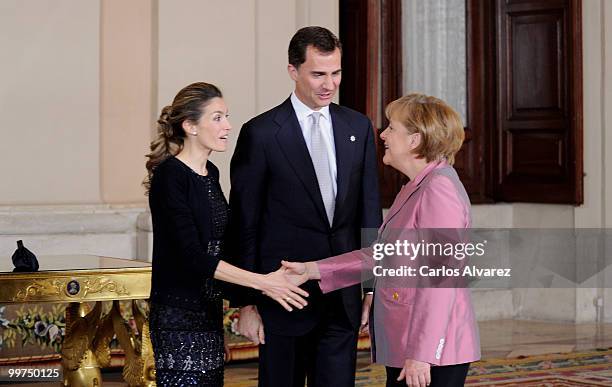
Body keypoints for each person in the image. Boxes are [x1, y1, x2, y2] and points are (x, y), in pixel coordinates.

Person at [283, 94, 481, 387]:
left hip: (430, 352)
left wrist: (422, 354)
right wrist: (313, 270)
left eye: (392, 127)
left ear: (414, 140)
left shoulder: (438, 190)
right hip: (408, 342)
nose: (383, 134)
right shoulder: (416, 186)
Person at [227, 27, 382, 387]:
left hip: (341, 297)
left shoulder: (357, 127)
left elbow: (369, 212)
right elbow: (244, 222)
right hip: (283, 297)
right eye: (318, 74)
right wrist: (247, 303)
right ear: (293, 71)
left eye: (336, 73)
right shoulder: (261, 133)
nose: (329, 84)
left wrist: (371, 287)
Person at [144, 82, 309, 386]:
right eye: (217, 117)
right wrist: (264, 283)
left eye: (227, 116)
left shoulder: (211, 173)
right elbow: (193, 256)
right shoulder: (170, 177)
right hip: (177, 315)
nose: (228, 126)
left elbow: (223, 244)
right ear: (190, 125)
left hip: (207, 311)